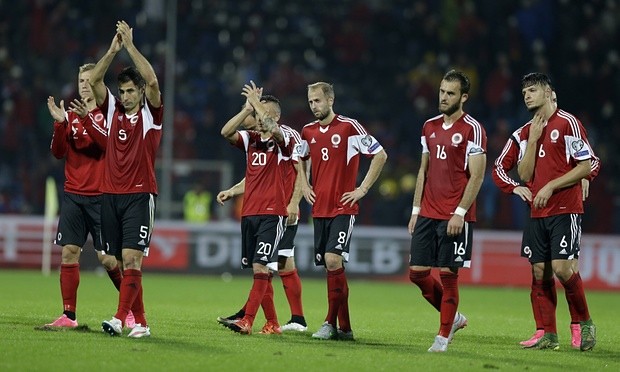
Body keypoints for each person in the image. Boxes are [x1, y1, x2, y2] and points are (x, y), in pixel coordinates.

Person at [492, 90, 600, 349]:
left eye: (532, 90)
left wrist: (564, 182)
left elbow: (590, 163)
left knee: (563, 269)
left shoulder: (567, 123)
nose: (527, 96)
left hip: (565, 208)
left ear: (549, 93)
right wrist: (514, 186)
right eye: (523, 92)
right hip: (537, 212)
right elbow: (509, 170)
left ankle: (583, 324)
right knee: (539, 271)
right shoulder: (522, 134)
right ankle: (547, 333)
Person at [86, 20, 163, 338]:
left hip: (139, 194)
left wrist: (130, 46)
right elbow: (93, 81)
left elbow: (154, 81)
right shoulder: (114, 110)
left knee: (132, 258)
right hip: (110, 194)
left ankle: (120, 318)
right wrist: (112, 50)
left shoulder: (151, 114)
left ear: (141, 92)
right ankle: (141, 323)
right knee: (115, 260)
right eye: (123, 91)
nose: (126, 95)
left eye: (132, 90)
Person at [43, 63, 135, 329]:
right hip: (73, 195)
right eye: (81, 79)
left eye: (89, 79)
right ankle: (69, 316)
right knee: (69, 253)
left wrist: (85, 119)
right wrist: (61, 124)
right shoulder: (70, 115)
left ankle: (129, 311)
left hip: (101, 196)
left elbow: (106, 146)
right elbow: (58, 152)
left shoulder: (110, 114)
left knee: (108, 259)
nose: (84, 84)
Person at [295, 82, 387, 340]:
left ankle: (328, 322)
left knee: (333, 260)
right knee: (331, 267)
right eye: (310, 101)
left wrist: (363, 189)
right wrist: (304, 184)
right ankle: (344, 327)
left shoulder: (349, 127)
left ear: (331, 99)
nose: (314, 106)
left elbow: (380, 155)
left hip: (343, 207)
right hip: (320, 208)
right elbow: (300, 159)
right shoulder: (307, 131)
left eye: (318, 101)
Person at [407, 70, 487, 353]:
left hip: (454, 215)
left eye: (450, 93)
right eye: (442, 91)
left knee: (448, 275)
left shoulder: (472, 129)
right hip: (428, 212)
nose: (443, 97)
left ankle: (442, 336)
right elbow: (422, 170)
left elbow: (477, 176)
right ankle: (454, 317)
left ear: (463, 97)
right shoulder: (428, 126)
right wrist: (416, 209)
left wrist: (460, 212)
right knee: (416, 273)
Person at [216, 96, 307, 332]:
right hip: (252, 212)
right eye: (254, 113)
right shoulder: (252, 140)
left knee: (274, 264)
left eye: (259, 112)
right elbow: (253, 174)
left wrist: (294, 203)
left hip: (280, 210)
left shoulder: (287, 136)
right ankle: (273, 321)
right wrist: (233, 191)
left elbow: (301, 171)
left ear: (274, 116)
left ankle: (259, 318)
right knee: (268, 266)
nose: (256, 117)